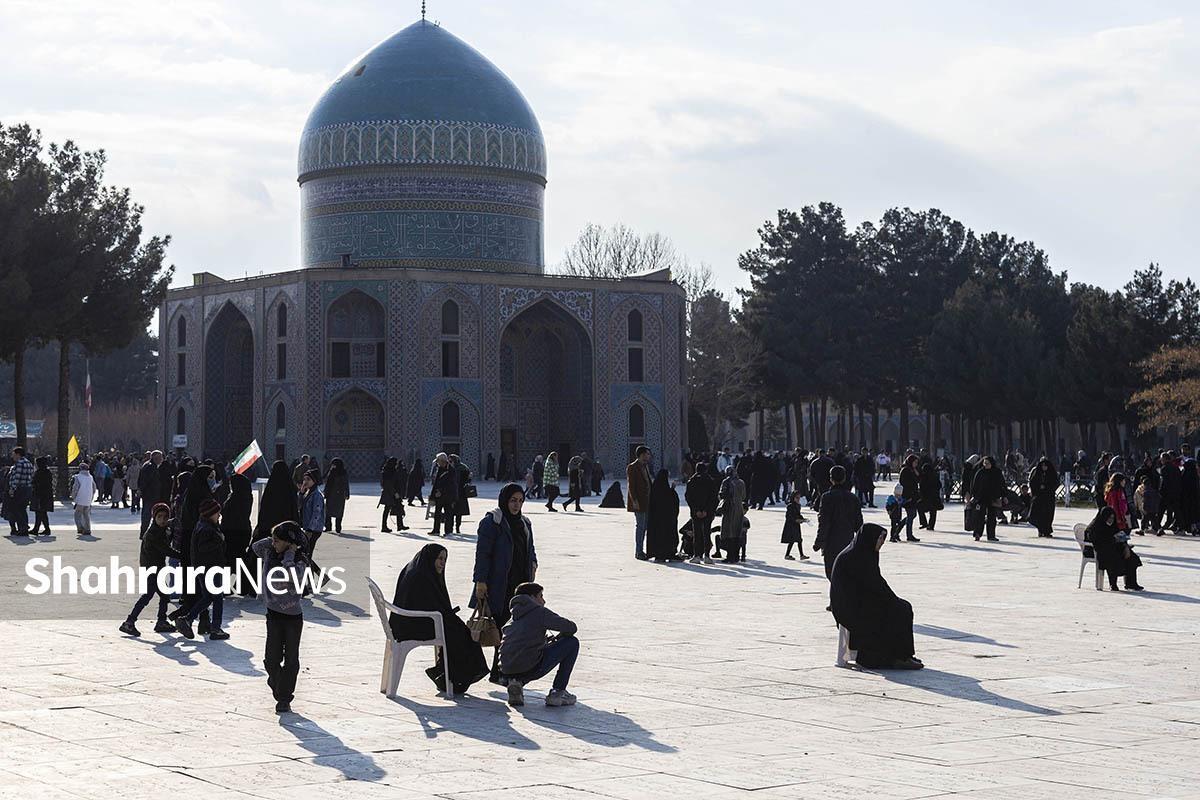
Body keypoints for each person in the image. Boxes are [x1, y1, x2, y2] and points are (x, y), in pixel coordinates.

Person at [390, 543, 488, 694]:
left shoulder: (418, 569)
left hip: (406, 621)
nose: (442, 563)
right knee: (460, 634)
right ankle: (449, 676)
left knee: (459, 630)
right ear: (431, 558)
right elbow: (429, 605)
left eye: (444, 559)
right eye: (439, 558)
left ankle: (445, 672)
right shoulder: (422, 576)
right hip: (412, 626)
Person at [831, 523, 923, 669]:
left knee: (901, 607)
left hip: (862, 598)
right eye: (880, 539)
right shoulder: (854, 557)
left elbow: (875, 583)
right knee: (899, 610)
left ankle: (902, 654)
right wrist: (892, 600)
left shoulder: (865, 552)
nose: (881, 543)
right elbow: (873, 584)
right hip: (850, 606)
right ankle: (894, 657)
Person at [471, 483, 538, 682]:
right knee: (499, 629)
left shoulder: (525, 522)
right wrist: (480, 581)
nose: (516, 505)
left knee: (513, 629)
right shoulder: (493, 522)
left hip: (520, 583)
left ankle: (501, 671)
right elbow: (483, 554)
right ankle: (497, 671)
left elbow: (530, 547)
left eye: (520, 501)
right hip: (499, 584)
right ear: (504, 500)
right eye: (512, 501)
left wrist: (534, 563)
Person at [252, 521, 311, 712]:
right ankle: (279, 687)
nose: (274, 543)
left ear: (289, 542)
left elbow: (295, 578)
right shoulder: (269, 553)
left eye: (278, 540)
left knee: (291, 659)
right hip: (273, 614)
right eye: (274, 540)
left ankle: (284, 697)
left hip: (293, 616)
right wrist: (275, 536)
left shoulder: (300, 560)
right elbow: (255, 547)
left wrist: (290, 554)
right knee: (271, 659)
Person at [500, 582, 579, 707]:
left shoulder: (513, 616)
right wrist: (562, 635)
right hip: (529, 667)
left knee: (523, 658)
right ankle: (558, 692)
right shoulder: (539, 612)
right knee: (572, 642)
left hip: (505, 671)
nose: (543, 601)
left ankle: (516, 682)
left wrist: (546, 641)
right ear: (531, 597)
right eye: (540, 596)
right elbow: (571, 627)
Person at [119, 503, 182, 636]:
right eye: (160, 517)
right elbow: (166, 549)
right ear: (154, 517)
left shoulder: (161, 529)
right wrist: (183, 556)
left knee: (164, 596)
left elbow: (169, 527)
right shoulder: (154, 533)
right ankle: (129, 622)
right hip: (151, 569)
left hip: (156, 568)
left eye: (165, 517)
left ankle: (161, 621)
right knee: (148, 595)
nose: (163, 520)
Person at [174, 498, 229, 640]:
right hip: (209, 568)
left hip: (203, 567)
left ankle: (187, 619)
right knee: (217, 598)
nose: (219, 516)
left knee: (208, 597)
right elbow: (203, 548)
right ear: (210, 514)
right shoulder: (206, 529)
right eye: (217, 513)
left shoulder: (205, 525)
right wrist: (219, 539)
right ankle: (216, 628)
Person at [813, 466, 863, 581]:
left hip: (831, 543)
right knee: (845, 575)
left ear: (831, 479)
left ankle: (838, 598)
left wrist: (819, 542)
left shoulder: (826, 497)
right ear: (844, 478)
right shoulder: (853, 498)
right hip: (848, 542)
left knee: (833, 575)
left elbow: (824, 522)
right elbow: (859, 525)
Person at [1085, 506, 1144, 591]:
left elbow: (1118, 535)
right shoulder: (1095, 526)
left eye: (1112, 518)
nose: (1111, 520)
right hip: (1100, 550)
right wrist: (1112, 540)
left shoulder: (1113, 525)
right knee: (1113, 558)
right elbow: (1096, 540)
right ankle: (1113, 584)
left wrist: (1126, 546)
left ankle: (1131, 583)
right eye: (1109, 518)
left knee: (1132, 557)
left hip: (1115, 547)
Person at [684, 463, 718, 564]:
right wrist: (706, 510)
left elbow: (689, 498)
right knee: (706, 534)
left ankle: (697, 555)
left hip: (696, 513)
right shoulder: (710, 481)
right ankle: (707, 556)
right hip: (708, 513)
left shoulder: (692, 481)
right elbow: (713, 498)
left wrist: (696, 510)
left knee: (697, 534)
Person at [645, 468, 680, 562]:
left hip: (656, 519)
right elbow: (670, 501)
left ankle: (657, 553)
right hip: (666, 519)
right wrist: (672, 490)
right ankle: (667, 552)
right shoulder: (664, 488)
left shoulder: (655, 487)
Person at [626, 446, 653, 560]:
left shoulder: (645, 467)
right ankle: (638, 551)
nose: (649, 456)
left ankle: (643, 550)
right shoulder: (632, 467)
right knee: (640, 527)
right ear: (642, 454)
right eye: (647, 454)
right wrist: (634, 501)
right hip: (639, 502)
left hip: (647, 501)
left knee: (645, 527)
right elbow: (631, 486)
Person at [969, 455, 1004, 542]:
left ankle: (991, 535)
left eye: (987, 463)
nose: (986, 465)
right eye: (984, 463)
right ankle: (977, 533)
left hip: (993, 498)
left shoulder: (997, 472)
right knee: (979, 517)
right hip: (981, 498)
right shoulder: (980, 472)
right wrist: (973, 495)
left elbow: (1002, 484)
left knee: (992, 518)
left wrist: (1003, 495)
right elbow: (974, 485)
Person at [718, 463, 748, 563]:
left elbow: (721, 495)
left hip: (729, 509)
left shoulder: (726, 482)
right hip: (739, 509)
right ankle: (736, 555)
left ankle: (730, 555)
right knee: (736, 531)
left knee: (728, 532)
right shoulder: (741, 482)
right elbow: (744, 496)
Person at [298, 470, 326, 575]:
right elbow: (298, 506)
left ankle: (313, 580)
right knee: (305, 555)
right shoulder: (307, 493)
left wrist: (310, 529)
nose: (305, 482)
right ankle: (320, 576)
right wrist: (301, 493)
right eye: (304, 479)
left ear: (314, 481)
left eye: (308, 479)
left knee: (306, 555)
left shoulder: (317, 495)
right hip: (307, 528)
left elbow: (317, 514)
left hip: (314, 530)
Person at [1027, 457, 1058, 538]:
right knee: (1038, 515)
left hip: (1048, 497)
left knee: (1048, 515)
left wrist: (1047, 487)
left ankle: (1047, 531)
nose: (1044, 467)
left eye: (1045, 466)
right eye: (1043, 466)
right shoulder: (1037, 473)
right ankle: (1041, 530)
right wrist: (1038, 488)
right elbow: (1032, 483)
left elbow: (1055, 483)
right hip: (1039, 497)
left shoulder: (1052, 474)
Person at [6, 446, 33, 536]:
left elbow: (16, 479)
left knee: (16, 509)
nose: (12, 456)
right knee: (22, 509)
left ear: (18, 454)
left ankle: (23, 527)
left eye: (13, 454)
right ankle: (24, 528)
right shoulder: (28, 463)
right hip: (27, 488)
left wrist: (12, 489)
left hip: (19, 489)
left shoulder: (19, 464)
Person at [430, 453, 459, 536]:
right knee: (437, 513)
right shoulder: (439, 469)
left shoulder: (451, 470)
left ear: (443, 461)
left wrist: (441, 491)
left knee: (448, 514)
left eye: (438, 461)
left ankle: (448, 531)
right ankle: (436, 530)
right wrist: (432, 496)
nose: (437, 463)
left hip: (448, 496)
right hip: (439, 497)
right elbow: (436, 484)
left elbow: (451, 485)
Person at [138, 451, 164, 535]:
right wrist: (141, 490)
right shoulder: (150, 467)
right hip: (150, 494)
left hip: (151, 494)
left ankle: (146, 532)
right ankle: (144, 532)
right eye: (160, 458)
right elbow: (144, 481)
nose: (162, 459)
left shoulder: (150, 465)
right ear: (155, 458)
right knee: (147, 514)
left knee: (149, 513)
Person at [897, 455, 922, 542]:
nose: (916, 464)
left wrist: (916, 473)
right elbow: (903, 482)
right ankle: (909, 535)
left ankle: (897, 530)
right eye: (915, 462)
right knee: (911, 515)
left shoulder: (912, 470)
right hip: (908, 495)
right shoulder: (905, 470)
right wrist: (910, 494)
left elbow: (919, 479)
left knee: (912, 515)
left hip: (913, 495)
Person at [323, 458, 350, 533]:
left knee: (337, 511)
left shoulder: (341, 472)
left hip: (337, 494)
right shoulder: (332, 472)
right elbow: (327, 482)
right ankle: (330, 527)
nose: (332, 466)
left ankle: (336, 527)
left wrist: (347, 493)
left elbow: (345, 483)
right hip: (333, 494)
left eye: (334, 464)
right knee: (330, 511)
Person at [379, 458, 405, 532]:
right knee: (387, 509)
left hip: (392, 493)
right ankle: (384, 526)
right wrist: (395, 493)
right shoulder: (388, 472)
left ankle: (400, 525)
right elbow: (388, 484)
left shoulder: (390, 470)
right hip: (390, 493)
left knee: (398, 507)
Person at [781, 490, 808, 560]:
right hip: (791, 525)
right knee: (792, 540)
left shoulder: (798, 505)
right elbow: (789, 516)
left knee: (799, 540)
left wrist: (803, 519)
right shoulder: (790, 506)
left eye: (799, 498)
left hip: (796, 525)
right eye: (796, 497)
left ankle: (801, 555)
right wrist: (796, 520)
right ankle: (787, 555)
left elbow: (798, 514)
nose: (798, 499)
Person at [30, 456, 54, 536]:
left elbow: (35, 483)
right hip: (46, 495)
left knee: (40, 512)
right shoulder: (47, 472)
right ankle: (44, 529)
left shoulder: (39, 472)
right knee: (42, 513)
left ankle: (39, 529)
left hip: (40, 495)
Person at [70, 463, 96, 537]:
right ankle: (87, 529)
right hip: (88, 499)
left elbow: (75, 488)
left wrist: (74, 496)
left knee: (77, 514)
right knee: (86, 515)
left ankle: (80, 528)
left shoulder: (78, 477)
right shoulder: (90, 477)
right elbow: (94, 488)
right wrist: (91, 496)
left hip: (80, 498)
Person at [916, 461, 943, 532]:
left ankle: (924, 522)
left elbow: (921, 487)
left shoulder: (924, 477)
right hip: (934, 497)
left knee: (919, 506)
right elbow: (939, 485)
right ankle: (931, 525)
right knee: (933, 512)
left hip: (926, 497)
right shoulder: (935, 476)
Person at [451, 454, 472, 533]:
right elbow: (469, 479)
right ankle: (457, 528)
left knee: (452, 511)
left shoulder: (452, 468)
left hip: (455, 492)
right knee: (458, 512)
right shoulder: (464, 467)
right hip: (461, 493)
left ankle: (453, 527)